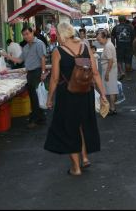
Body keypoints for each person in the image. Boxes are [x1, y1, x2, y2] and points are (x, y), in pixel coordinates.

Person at [44, 22, 107, 176]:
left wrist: (50, 98)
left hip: (67, 94)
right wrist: (103, 95)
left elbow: (54, 78)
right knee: (82, 125)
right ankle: (84, 158)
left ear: (61, 34)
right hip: (86, 92)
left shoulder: (58, 51)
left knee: (68, 128)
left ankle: (75, 168)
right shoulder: (85, 46)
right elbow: (95, 73)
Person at [3, 27, 48, 128]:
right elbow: (19, 60)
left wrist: (43, 72)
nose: (26, 36)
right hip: (30, 73)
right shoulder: (26, 47)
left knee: (35, 97)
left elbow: (43, 59)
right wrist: (7, 56)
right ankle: (41, 118)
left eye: (28, 33)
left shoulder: (39, 43)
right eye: (24, 35)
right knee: (33, 96)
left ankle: (35, 119)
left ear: (32, 33)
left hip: (37, 72)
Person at [96, 30, 119, 115]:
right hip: (109, 69)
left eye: (99, 39)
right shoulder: (108, 44)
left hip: (109, 70)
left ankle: (112, 108)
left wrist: (107, 73)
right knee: (110, 89)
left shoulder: (108, 46)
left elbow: (110, 60)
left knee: (111, 89)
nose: (99, 41)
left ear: (104, 37)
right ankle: (112, 107)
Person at [111, 15, 135, 81]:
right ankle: (128, 76)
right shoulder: (130, 27)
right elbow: (133, 37)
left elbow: (112, 38)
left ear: (119, 20)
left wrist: (113, 46)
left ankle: (121, 72)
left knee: (119, 61)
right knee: (128, 62)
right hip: (129, 47)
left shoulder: (115, 27)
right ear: (125, 20)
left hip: (119, 47)